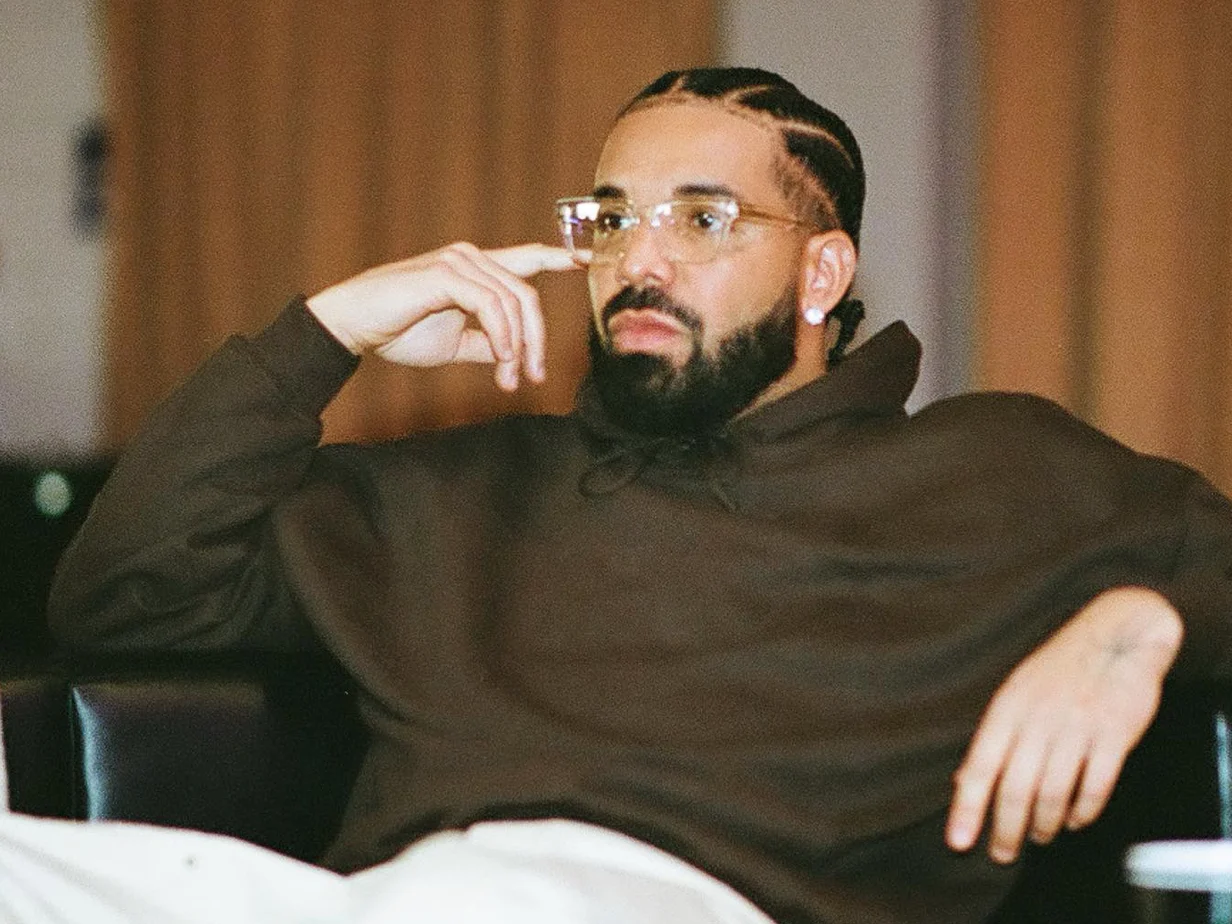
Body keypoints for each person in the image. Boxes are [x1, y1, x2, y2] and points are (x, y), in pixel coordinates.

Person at [7, 67, 1231, 924]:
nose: (635, 260)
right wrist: (326, 333)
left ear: (821, 273)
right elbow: (124, 599)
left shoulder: (989, 472)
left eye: (701, 219)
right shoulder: (464, 487)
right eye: (608, 219)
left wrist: (1139, 624)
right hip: (382, 898)